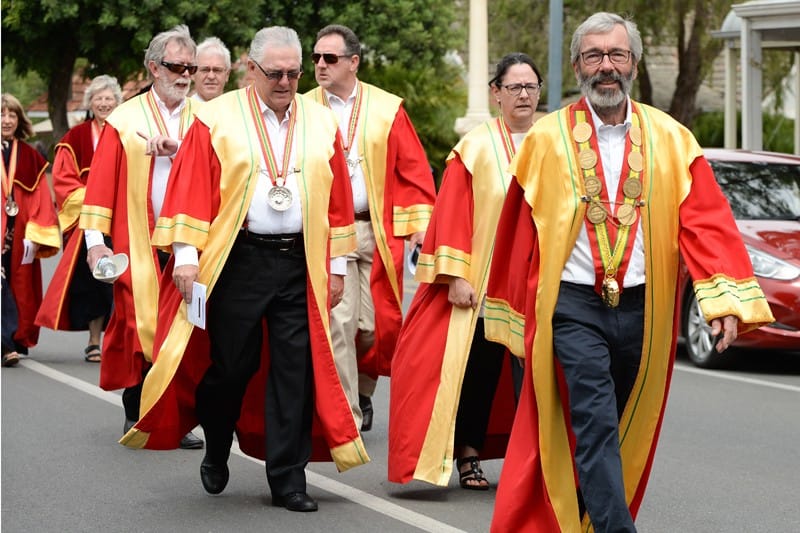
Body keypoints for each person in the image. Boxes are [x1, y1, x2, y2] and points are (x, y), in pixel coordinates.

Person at [483, 12, 775, 533]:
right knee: (593, 422)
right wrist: (512, 321)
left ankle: (575, 515)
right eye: (594, 56)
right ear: (577, 66)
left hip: (644, 309)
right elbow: (517, 237)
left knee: (615, 426)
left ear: (634, 64)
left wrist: (723, 301)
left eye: (616, 55)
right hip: (573, 307)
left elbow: (705, 222)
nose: (606, 67)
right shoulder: (546, 139)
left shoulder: (672, 139)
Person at [124, 26, 368, 512]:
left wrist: (338, 266)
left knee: (294, 371)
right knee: (231, 367)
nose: (285, 82)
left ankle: (288, 478)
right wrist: (188, 258)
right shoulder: (216, 119)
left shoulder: (320, 122)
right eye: (274, 72)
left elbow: (337, 198)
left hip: (299, 260)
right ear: (250, 69)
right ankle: (218, 441)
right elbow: (191, 186)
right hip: (239, 259)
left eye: (294, 73)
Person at [388, 53, 542, 490]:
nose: (525, 95)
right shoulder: (475, 147)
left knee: (534, 377)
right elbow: (453, 213)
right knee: (480, 371)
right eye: (515, 87)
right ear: (496, 93)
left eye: (531, 87)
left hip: (538, 284)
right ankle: (469, 454)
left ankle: (533, 461)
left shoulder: (553, 142)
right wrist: (456, 276)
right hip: (485, 284)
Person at [306, 24, 436, 431]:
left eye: (330, 58)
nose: (321, 66)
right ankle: (345, 414)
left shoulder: (386, 108)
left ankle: (363, 392)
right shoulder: (303, 107)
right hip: (328, 233)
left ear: (354, 62)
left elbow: (412, 170)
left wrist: (420, 227)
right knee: (339, 323)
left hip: (377, 231)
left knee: (374, 327)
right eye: (316, 58)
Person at [79, 25, 203, 449]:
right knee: (141, 327)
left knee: (188, 328)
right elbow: (99, 187)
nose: (185, 75)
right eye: (176, 66)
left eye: (191, 67)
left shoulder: (207, 117)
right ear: (153, 67)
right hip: (138, 239)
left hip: (194, 240)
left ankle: (178, 416)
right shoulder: (124, 119)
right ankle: (140, 409)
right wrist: (96, 242)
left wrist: (180, 148)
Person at [36, 75, 122, 362]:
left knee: (123, 281)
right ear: (90, 102)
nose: (104, 102)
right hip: (90, 223)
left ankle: (121, 340)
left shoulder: (127, 132)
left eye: (109, 98)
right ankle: (95, 339)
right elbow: (63, 182)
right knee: (94, 281)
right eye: (98, 98)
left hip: (123, 218)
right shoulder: (75, 138)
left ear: (117, 101)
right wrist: (97, 198)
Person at [1, 94, 60, 367]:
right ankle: (5, 343)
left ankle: (16, 338)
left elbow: (41, 198)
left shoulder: (30, 156)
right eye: (2, 114)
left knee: (21, 286)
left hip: (21, 232)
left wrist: (37, 234)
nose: (7, 120)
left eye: (12, 115)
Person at [191, 37, 231, 102]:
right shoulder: (181, 111)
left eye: (217, 70)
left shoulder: (239, 111)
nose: (211, 76)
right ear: (193, 73)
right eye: (205, 70)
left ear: (227, 75)